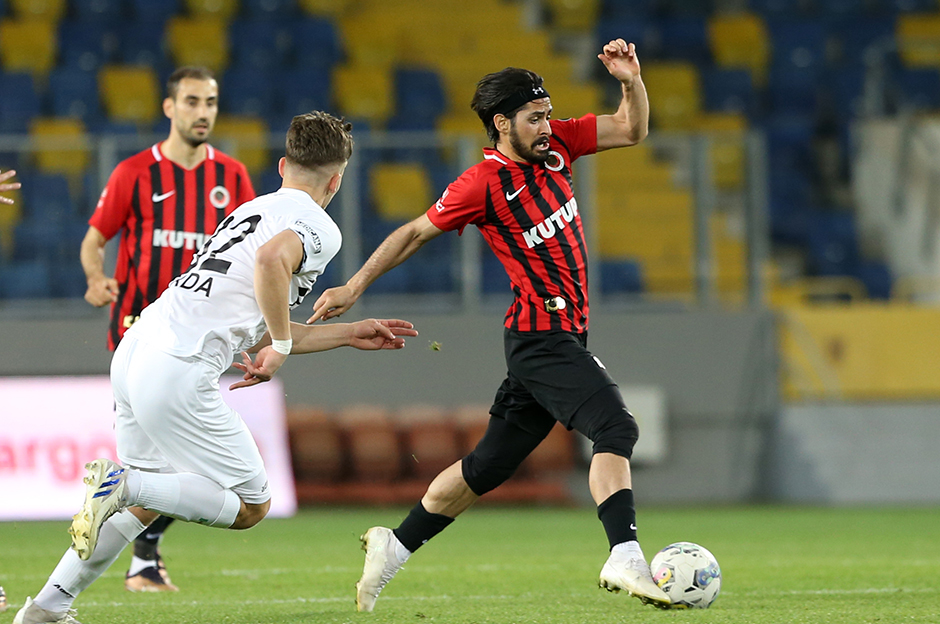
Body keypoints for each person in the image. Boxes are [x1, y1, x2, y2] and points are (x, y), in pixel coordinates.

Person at [13, 111, 419, 624]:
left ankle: (47, 609)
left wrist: (346, 332)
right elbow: (272, 264)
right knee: (250, 505)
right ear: (337, 179)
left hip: (139, 346)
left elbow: (257, 316)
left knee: (146, 503)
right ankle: (124, 484)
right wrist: (285, 344)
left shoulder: (251, 209)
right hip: (179, 365)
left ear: (281, 166)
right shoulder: (318, 225)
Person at [309, 39, 670, 611]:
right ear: (503, 124)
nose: (548, 125)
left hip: (560, 337)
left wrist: (630, 80)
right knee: (617, 428)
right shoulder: (481, 183)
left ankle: (393, 545)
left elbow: (631, 129)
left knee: (487, 466)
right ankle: (624, 555)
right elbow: (412, 233)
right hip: (539, 338)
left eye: (548, 113)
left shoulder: (559, 148)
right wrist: (354, 286)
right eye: (535, 118)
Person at [79, 66, 256, 592]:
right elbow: (95, 239)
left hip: (200, 337)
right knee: (169, 458)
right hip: (136, 329)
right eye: (193, 101)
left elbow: (250, 254)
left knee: (172, 459)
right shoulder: (135, 172)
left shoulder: (232, 177)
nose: (203, 112)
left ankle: (130, 558)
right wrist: (95, 278)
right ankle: (139, 558)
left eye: (212, 102)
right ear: (169, 107)